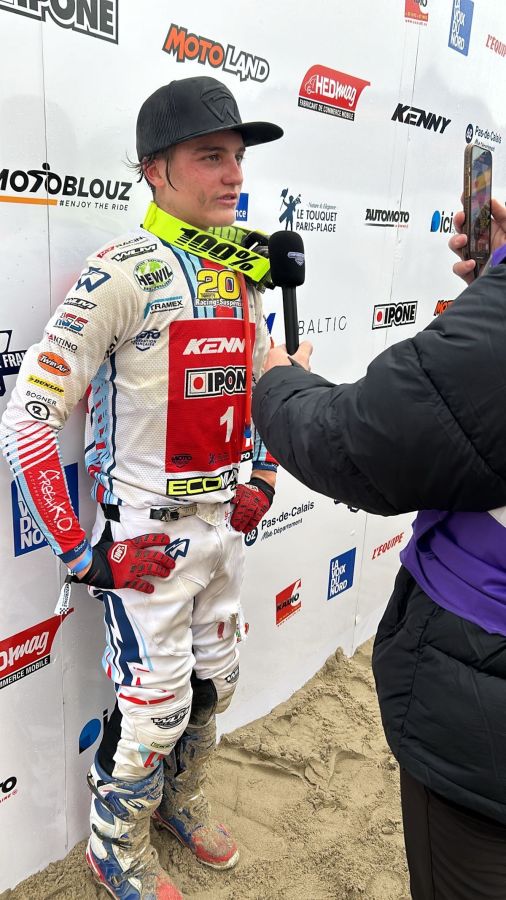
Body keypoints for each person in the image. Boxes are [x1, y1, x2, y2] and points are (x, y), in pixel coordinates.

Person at [0, 76, 282, 900]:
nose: (234, 174)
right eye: (210, 157)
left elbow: (263, 383)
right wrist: (85, 553)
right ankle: (113, 847)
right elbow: (29, 419)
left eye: (237, 157)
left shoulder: (242, 273)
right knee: (154, 709)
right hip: (146, 544)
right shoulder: (122, 272)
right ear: (155, 170)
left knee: (216, 685)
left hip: (223, 531)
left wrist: (264, 472)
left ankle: (177, 806)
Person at [252, 202, 506, 899]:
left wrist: (277, 384)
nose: (234, 176)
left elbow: (362, 446)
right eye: (213, 156)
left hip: (481, 687)